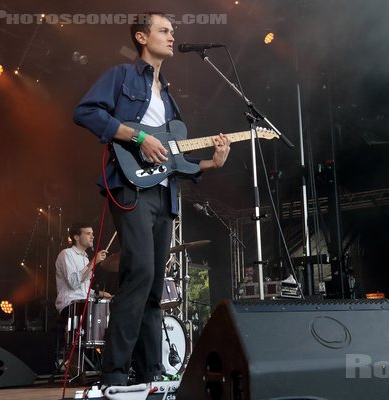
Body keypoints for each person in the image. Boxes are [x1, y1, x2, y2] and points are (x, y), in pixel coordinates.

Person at [73, 12, 230, 387]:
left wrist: (209, 162)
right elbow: (85, 112)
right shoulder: (121, 76)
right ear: (142, 37)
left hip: (165, 195)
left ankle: (150, 374)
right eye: (164, 30)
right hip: (129, 187)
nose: (172, 36)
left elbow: (175, 160)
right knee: (139, 273)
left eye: (173, 31)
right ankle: (113, 372)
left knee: (154, 287)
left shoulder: (170, 99)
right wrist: (138, 137)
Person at [55, 222, 111, 322]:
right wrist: (94, 261)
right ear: (76, 237)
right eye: (88, 233)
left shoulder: (85, 259)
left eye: (92, 234)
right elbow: (74, 283)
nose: (92, 237)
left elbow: (83, 291)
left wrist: (101, 294)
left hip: (83, 305)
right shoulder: (67, 254)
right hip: (70, 306)